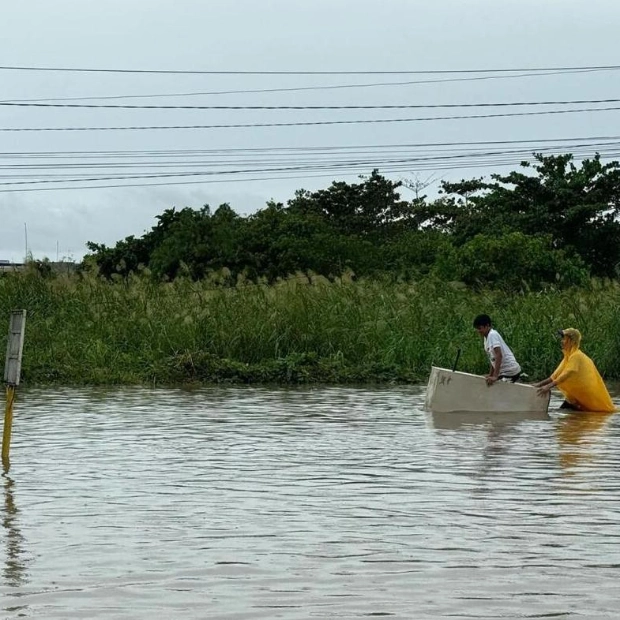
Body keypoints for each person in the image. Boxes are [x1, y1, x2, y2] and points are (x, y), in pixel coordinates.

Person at [534, 328, 615, 413]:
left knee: (572, 415)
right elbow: (555, 375)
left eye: (564, 339)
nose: (562, 341)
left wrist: (548, 386)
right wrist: (538, 385)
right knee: (563, 413)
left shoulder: (577, 356)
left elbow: (566, 374)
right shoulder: (569, 356)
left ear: (572, 341)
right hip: (575, 397)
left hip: (585, 398)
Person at [473, 314, 522, 385]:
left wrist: (495, 376)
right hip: (503, 372)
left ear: (487, 326)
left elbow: (499, 355)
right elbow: (492, 359)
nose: (478, 331)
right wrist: (491, 375)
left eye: (480, 328)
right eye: (477, 329)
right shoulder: (486, 338)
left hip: (510, 372)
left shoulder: (492, 335)